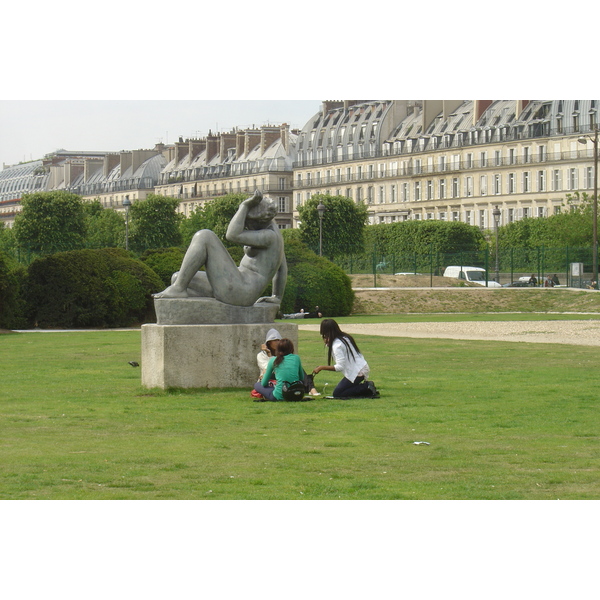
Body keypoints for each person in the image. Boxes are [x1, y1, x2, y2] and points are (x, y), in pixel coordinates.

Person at [153, 190, 286, 306]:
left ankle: (179, 289)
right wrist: (277, 297)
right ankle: (184, 294)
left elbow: (232, 234)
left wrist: (244, 206)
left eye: (248, 222)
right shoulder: (275, 235)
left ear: (259, 220)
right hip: (236, 284)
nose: (245, 226)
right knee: (177, 277)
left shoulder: (269, 236)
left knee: (205, 236)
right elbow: (282, 268)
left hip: (241, 291)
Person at [312, 318, 379, 399]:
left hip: (357, 372)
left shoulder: (337, 345)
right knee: (343, 390)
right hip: (361, 367)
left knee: (338, 393)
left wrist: (321, 367)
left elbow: (340, 367)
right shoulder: (345, 338)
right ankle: (365, 388)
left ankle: (366, 387)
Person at [255, 328, 319, 396]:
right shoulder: (261, 355)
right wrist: (269, 354)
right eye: (274, 340)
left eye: (278, 340)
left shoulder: (289, 357)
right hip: (271, 377)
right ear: (269, 342)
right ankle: (310, 388)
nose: (277, 342)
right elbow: (267, 369)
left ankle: (311, 388)